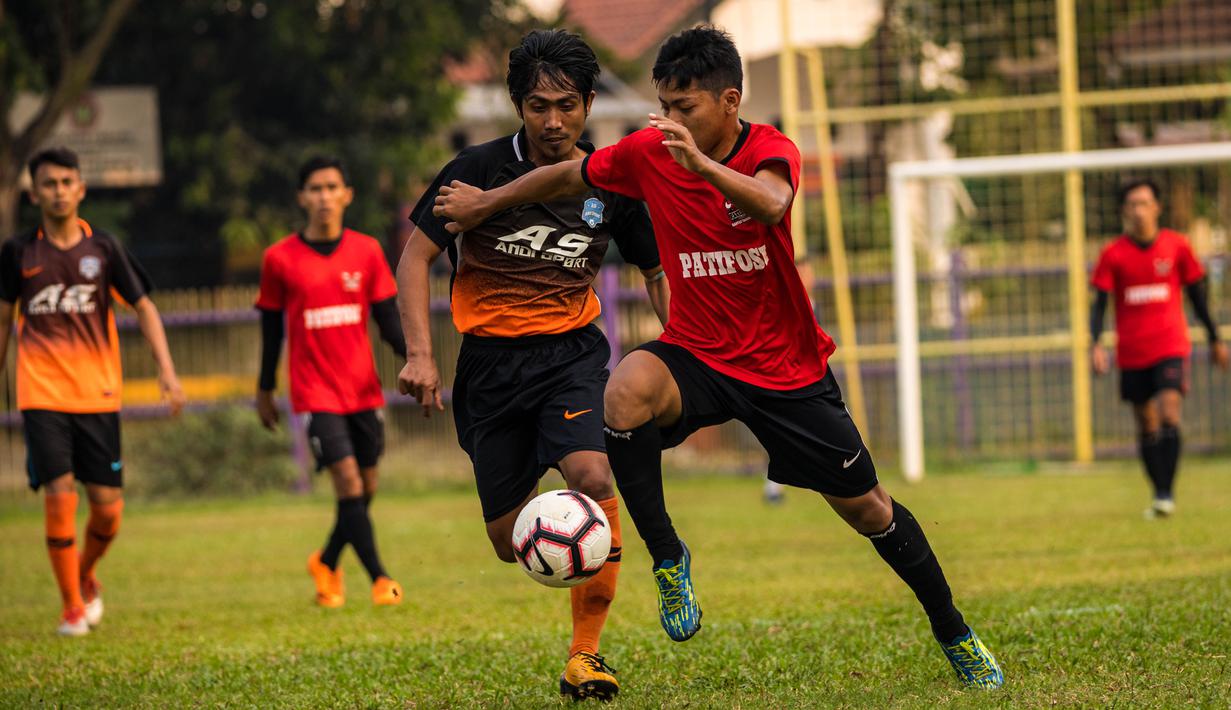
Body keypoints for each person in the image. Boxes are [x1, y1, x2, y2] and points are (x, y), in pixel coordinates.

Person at [432, 26, 1004, 690]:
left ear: (729, 101)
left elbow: (772, 204)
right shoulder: (650, 152)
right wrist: (486, 202)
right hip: (698, 353)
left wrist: (699, 166)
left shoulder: (769, 149)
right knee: (625, 391)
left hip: (783, 370)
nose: (669, 121)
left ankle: (953, 631)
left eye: (685, 107)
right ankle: (668, 558)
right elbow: (566, 174)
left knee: (870, 509)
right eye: (664, 107)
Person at [397, 29, 668, 701]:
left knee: (593, 475)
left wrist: (689, 345)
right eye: (539, 106)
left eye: (567, 105)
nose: (554, 121)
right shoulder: (478, 168)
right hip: (488, 369)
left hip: (570, 357)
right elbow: (414, 258)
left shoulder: (611, 183)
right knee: (506, 540)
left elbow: (656, 270)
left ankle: (585, 656)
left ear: (588, 105)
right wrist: (421, 356)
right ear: (518, 105)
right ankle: (554, 545)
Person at [0, 147, 186, 636]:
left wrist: (167, 370)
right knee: (59, 495)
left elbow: (144, 307)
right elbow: (3, 321)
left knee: (107, 510)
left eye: (67, 182)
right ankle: (71, 608)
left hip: (98, 394)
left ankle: (83, 574)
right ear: (34, 193)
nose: (58, 191)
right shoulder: (18, 252)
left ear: (81, 189)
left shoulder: (104, 248)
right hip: (41, 394)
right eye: (49, 183)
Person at [255, 156, 407, 608]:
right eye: (315, 189)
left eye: (331, 187)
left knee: (366, 487)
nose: (324, 196)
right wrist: (264, 389)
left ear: (347, 195)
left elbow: (388, 321)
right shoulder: (279, 258)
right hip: (315, 392)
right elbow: (270, 331)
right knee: (348, 482)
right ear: (302, 198)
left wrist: (419, 362)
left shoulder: (367, 251)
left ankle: (325, 561)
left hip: (362, 389)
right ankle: (380, 579)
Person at [1090, 178, 1228, 519]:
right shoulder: (1113, 254)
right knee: (1147, 423)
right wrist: (1096, 344)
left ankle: (1166, 493)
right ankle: (1159, 491)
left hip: (1170, 345)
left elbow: (1197, 296)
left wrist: (1215, 338)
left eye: (1144, 203)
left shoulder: (1177, 246)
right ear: (1124, 211)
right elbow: (1099, 304)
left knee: (1169, 411)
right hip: (1132, 351)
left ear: (1157, 208)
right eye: (1132, 204)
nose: (1139, 210)